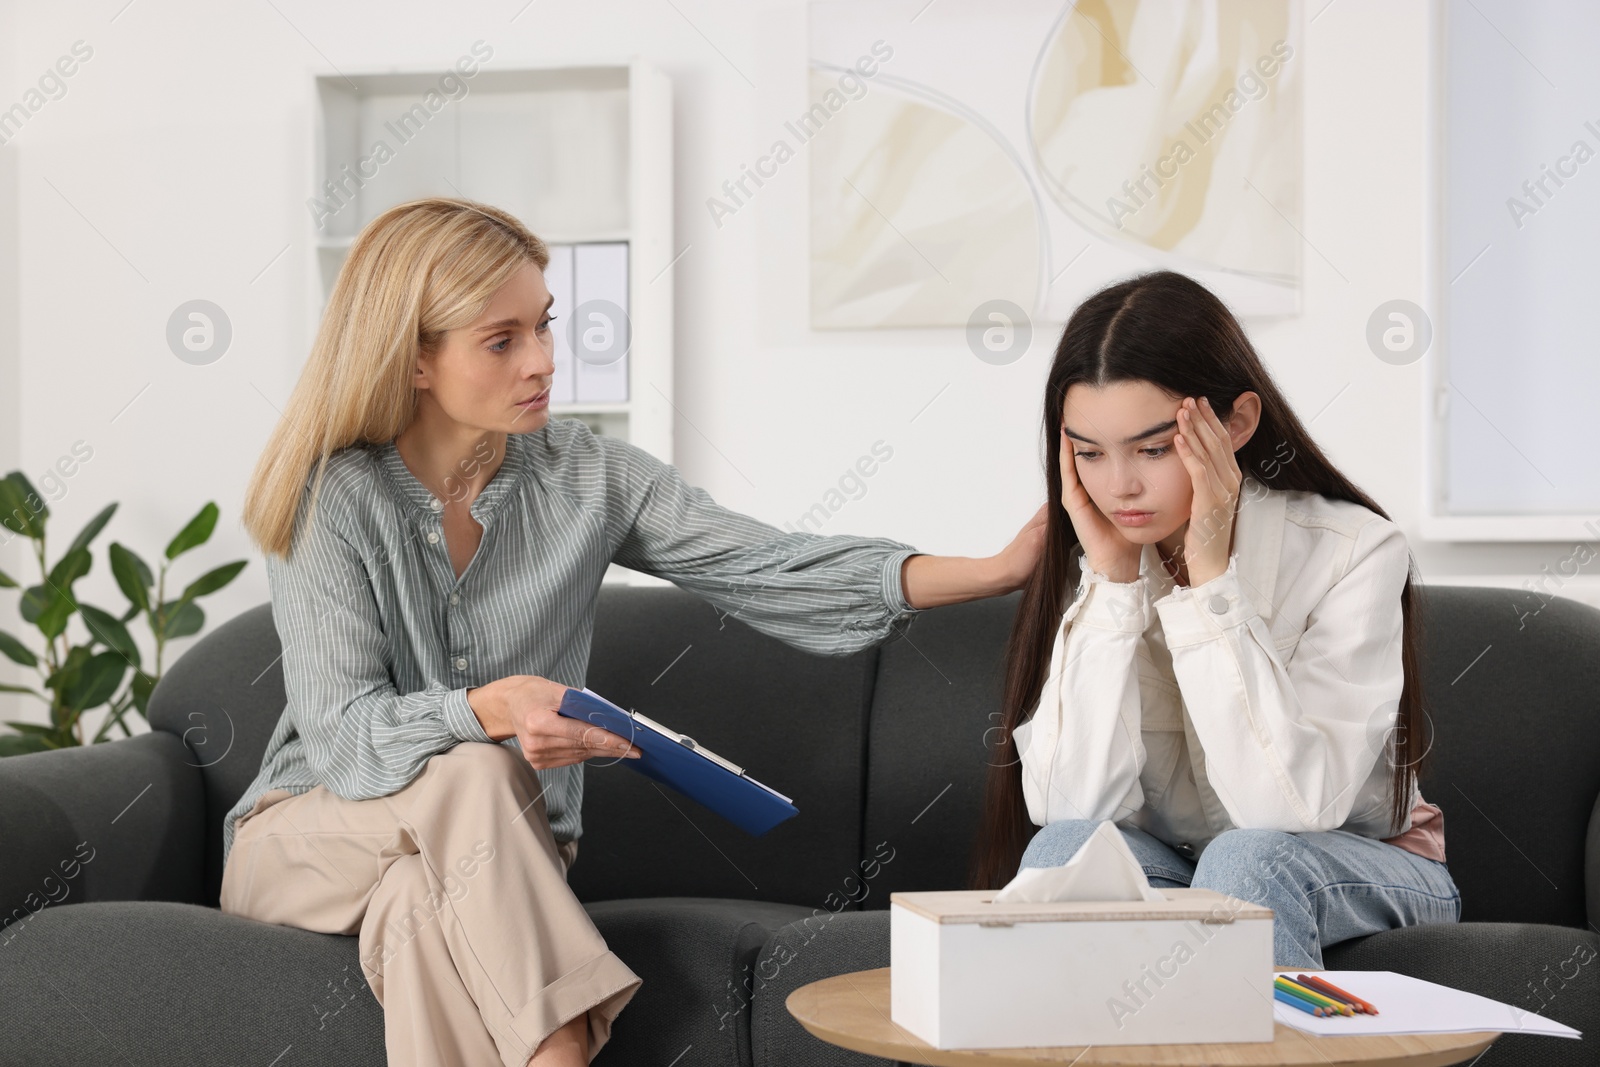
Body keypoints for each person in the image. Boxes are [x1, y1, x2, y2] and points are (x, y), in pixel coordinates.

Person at [219, 196, 1044, 1067]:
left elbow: (769, 564)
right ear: (416, 358)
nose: (542, 361)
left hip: (490, 858)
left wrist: (993, 571)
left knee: (418, 910)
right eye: (502, 341)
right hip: (308, 840)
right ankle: (563, 1043)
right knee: (471, 767)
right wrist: (491, 707)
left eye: (544, 326)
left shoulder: (591, 477)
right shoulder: (334, 498)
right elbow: (346, 743)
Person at [972, 270, 1460, 968]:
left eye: (1152, 448)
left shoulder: (1355, 550)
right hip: (1182, 858)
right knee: (1064, 853)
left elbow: (1287, 810)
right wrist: (1111, 589)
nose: (1119, 486)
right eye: (1088, 453)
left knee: (1247, 860)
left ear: (1235, 423)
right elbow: (1069, 803)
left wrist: (1210, 581)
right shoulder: (1098, 557)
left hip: (1359, 860)